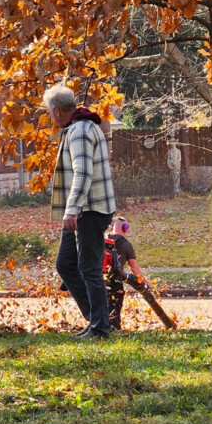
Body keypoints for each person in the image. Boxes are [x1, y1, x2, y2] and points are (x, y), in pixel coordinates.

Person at [45, 83, 116, 341]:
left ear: (56, 110)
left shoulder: (79, 131)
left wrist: (72, 209)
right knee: (66, 264)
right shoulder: (83, 126)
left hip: (89, 209)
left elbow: (82, 172)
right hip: (84, 209)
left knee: (89, 269)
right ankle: (97, 320)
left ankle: (100, 328)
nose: (51, 118)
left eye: (49, 113)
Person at [103, 216, 150, 331]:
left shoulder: (102, 240)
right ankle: (114, 328)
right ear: (125, 228)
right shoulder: (126, 245)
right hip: (116, 282)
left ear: (111, 227)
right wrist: (144, 282)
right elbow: (134, 268)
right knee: (114, 311)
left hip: (99, 280)